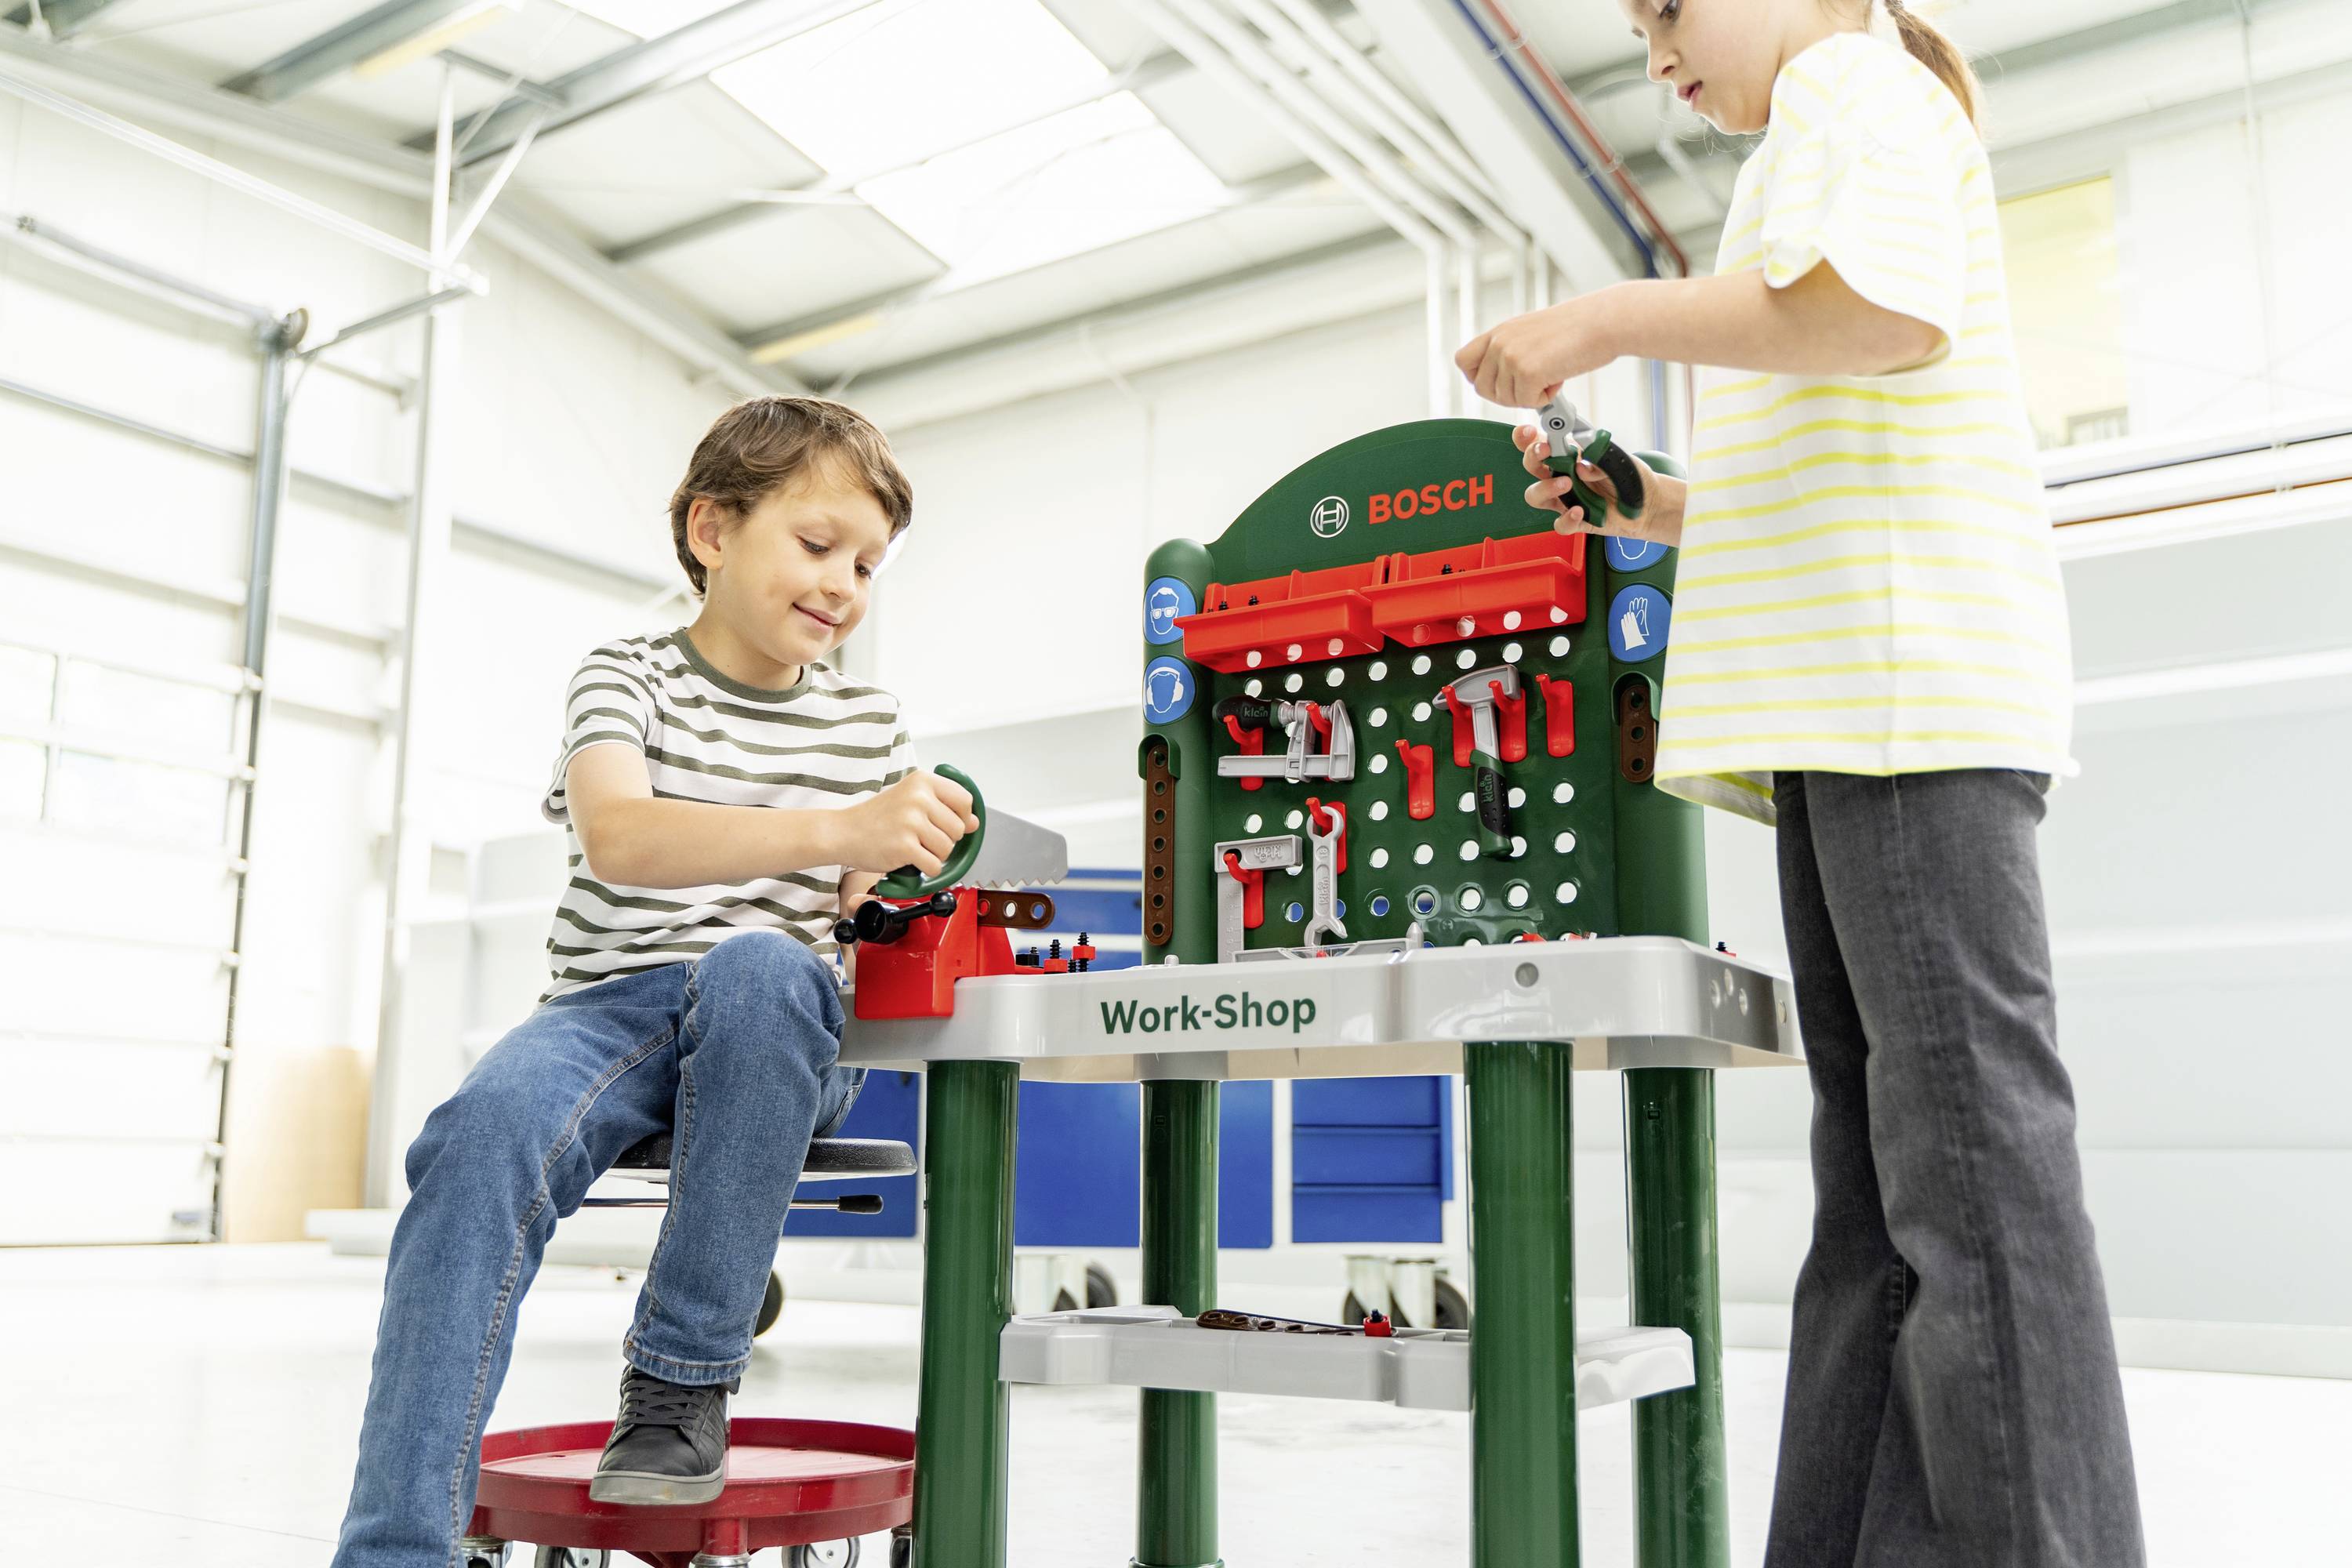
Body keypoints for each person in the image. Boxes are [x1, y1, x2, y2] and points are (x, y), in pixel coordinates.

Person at [1457, 2, 2146, 1563]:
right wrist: (1647, 498)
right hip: (1849, 716)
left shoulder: (1857, 82)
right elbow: (1828, 423)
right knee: (1887, 1190)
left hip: (1907, 707)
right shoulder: (1809, 145)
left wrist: (1609, 318)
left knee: (1967, 1174)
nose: (1658, 59)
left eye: (1671, 12)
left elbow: (1873, 311)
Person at [332, 397, 977, 1566]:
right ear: (712, 531)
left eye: (870, 565)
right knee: (478, 1138)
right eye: (817, 544)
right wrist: (841, 822)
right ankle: (392, 1549)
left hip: (777, 1023)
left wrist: (900, 864)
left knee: (759, 967)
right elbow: (622, 837)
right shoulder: (624, 676)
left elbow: (857, 914)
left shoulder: (873, 724)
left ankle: (680, 1388)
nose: (844, 584)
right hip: (606, 1009)